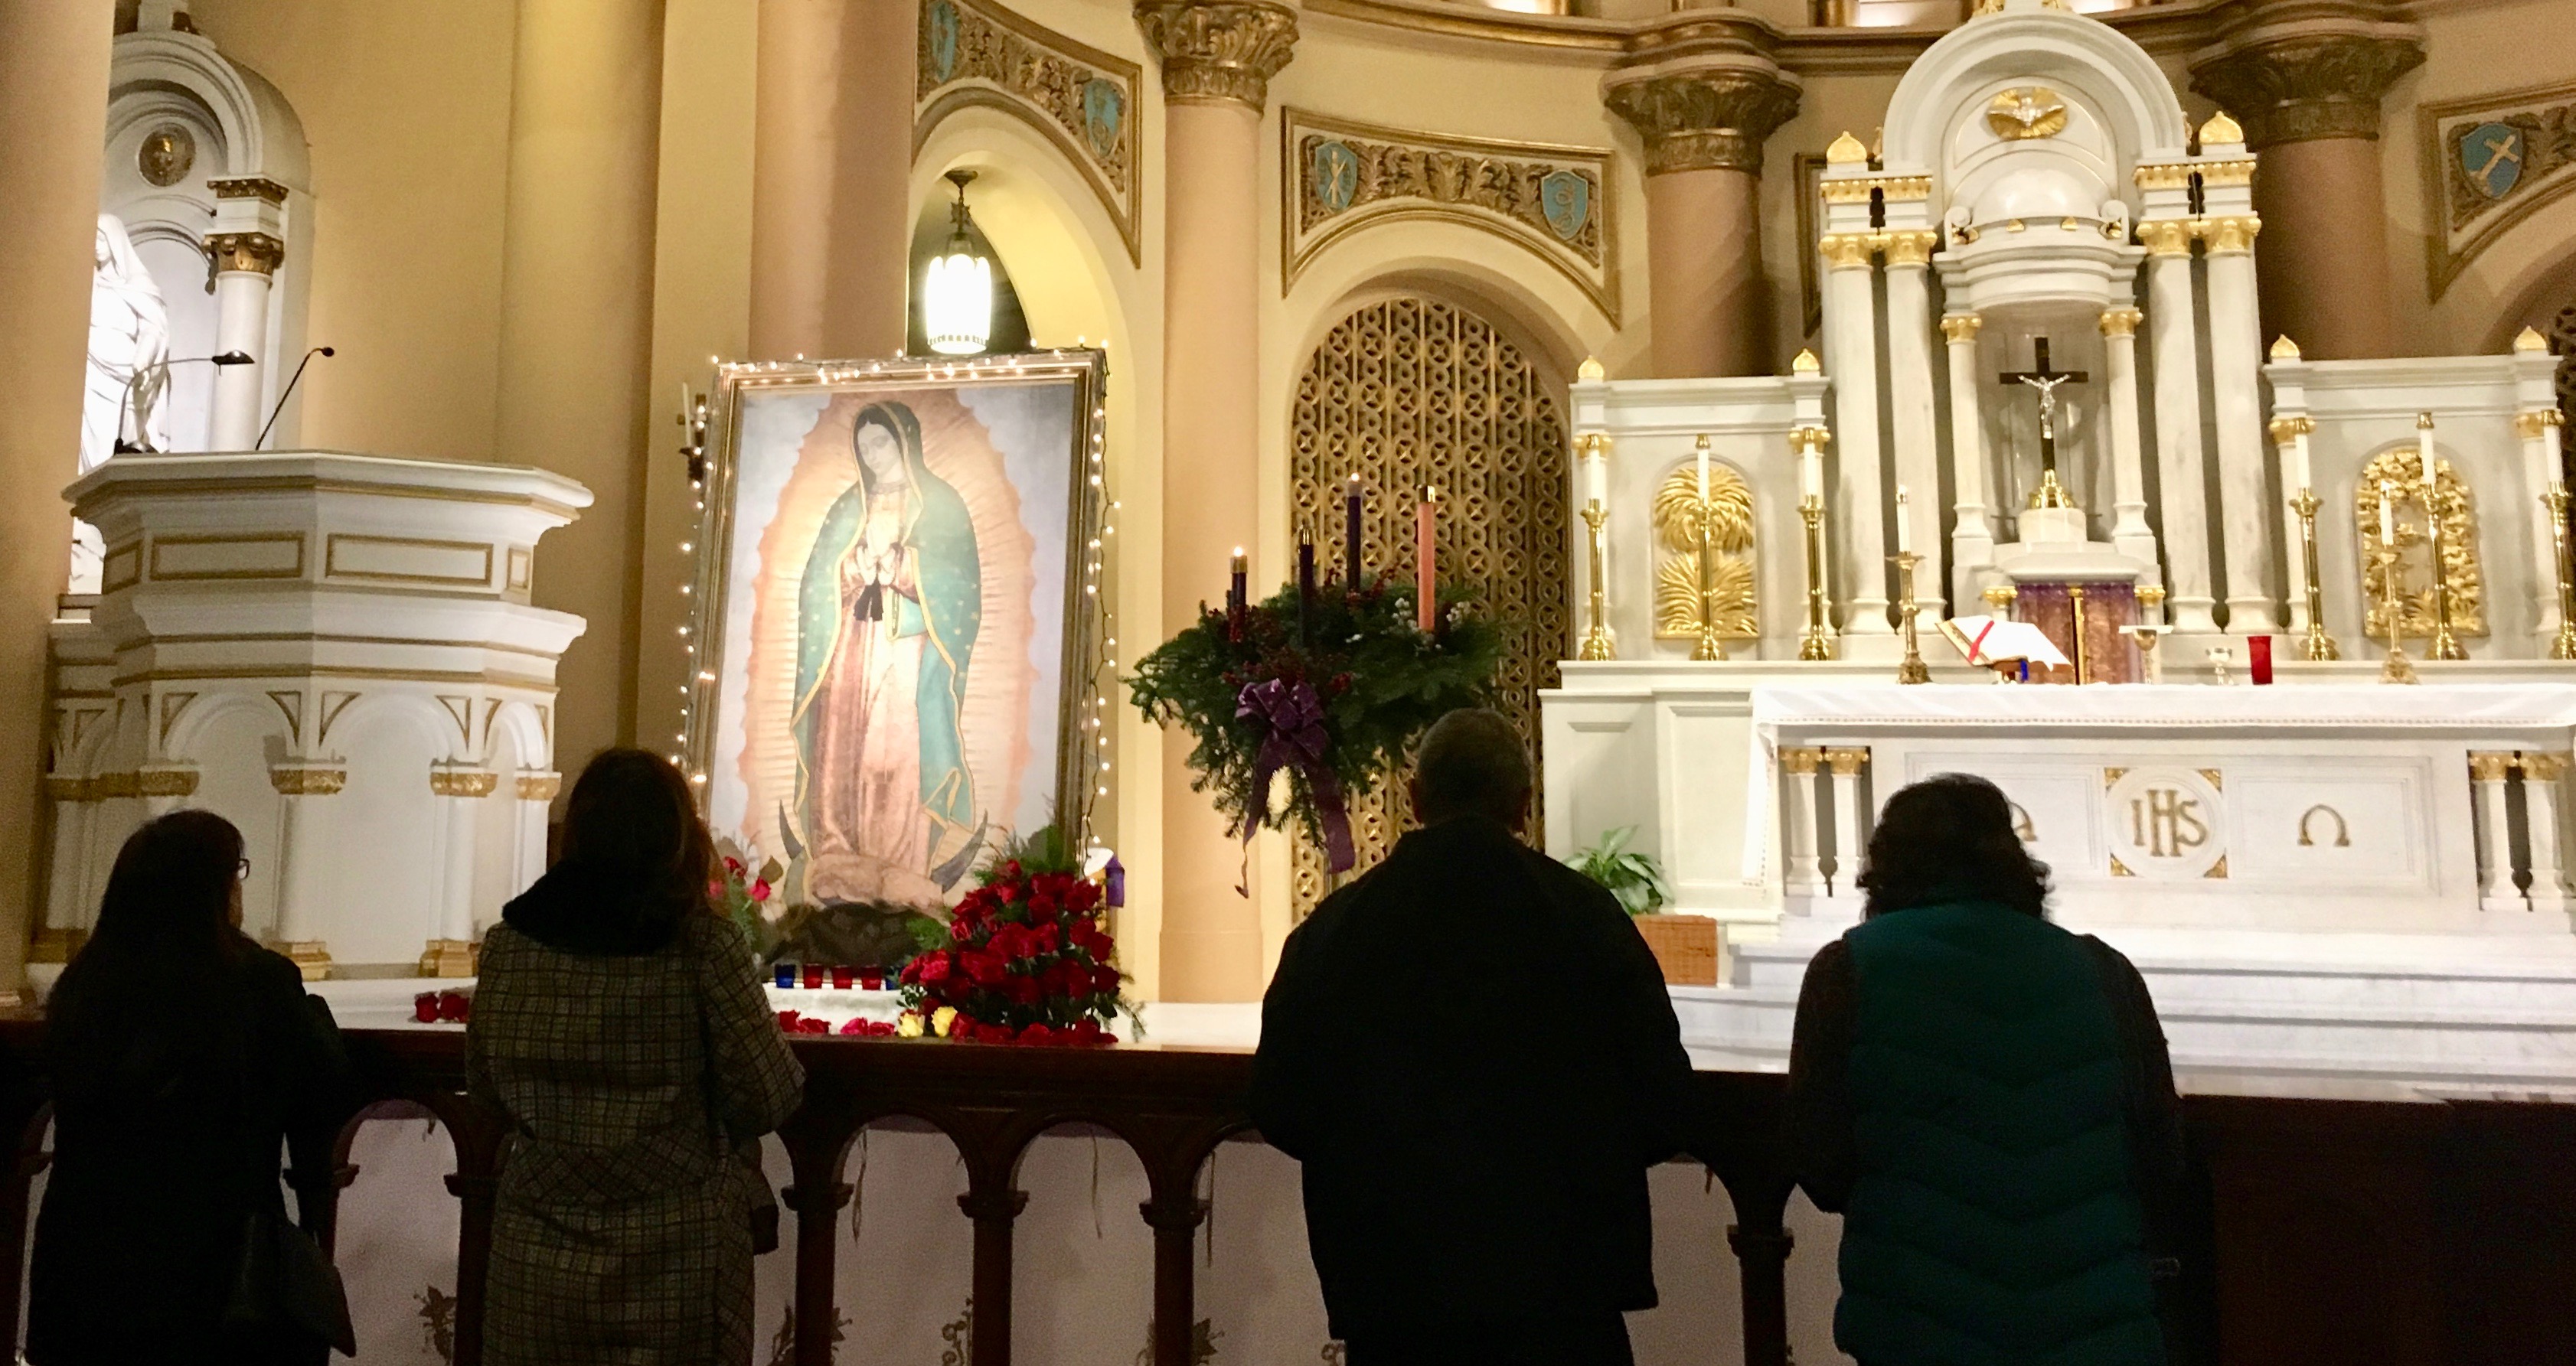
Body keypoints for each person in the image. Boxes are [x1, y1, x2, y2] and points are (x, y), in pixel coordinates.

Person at [1250, 709, 1697, 1366]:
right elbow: (1663, 1101)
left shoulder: (1337, 929)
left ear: (1414, 799)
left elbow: (1281, 1104)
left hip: (1393, 1291)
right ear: (1522, 803)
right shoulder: (1586, 918)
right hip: (1563, 1292)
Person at [1785, 773, 2185, 1366]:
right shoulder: (2103, 971)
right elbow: (2158, 1149)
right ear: (2012, 861)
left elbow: (1820, 1161)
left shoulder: (1847, 969)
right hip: (2089, 1325)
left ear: (1883, 869)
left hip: (1917, 1320)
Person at [469, 748, 805, 1366]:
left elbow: (485, 1085)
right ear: (677, 836)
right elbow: (768, 1093)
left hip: (537, 1255)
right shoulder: (702, 945)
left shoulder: (509, 946)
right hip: (674, 1256)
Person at [29, 810, 350, 1366]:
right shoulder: (255, 981)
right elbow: (324, 1093)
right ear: (215, 889)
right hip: (211, 1273)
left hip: (85, 1266)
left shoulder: (87, 983)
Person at [792, 400, 984, 904]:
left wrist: (901, 566)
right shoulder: (848, 506)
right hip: (851, 645)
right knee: (842, 747)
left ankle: (899, 867)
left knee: (895, 752)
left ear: (904, 440)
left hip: (907, 648)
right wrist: (853, 568)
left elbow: (961, 588)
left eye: (880, 442)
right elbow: (815, 580)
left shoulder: (939, 504)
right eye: (864, 448)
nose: (873, 455)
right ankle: (838, 858)